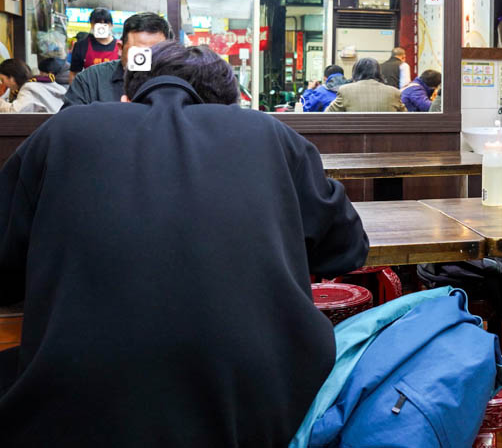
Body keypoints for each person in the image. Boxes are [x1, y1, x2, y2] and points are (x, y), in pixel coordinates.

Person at [0, 41, 369, 447]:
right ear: (230, 103)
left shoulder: (64, 131)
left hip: (70, 416)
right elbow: (348, 248)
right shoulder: (269, 134)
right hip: (262, 415)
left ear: (129, 97)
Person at [62, 12, 171, 107]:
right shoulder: (90, 80)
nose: (146, 60)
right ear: (120, 48)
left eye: (155, 54)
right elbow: (68, 124)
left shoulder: (173, 82)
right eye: (139, 54)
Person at [325, 57, 406, 112]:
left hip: (354, 137)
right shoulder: (394, 92)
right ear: (378, 73)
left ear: (355, 73)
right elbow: (406, 117)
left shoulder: (345, 90)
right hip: (387, 137)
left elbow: (327, 115)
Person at [69, 7, 121, 80]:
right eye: (97, 23)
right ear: (91, 24)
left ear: (111, 25)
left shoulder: (121, 46)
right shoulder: (81, 46)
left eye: (105, 23)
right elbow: (74, 74)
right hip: (89, 90)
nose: (101, 27)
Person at [0, 59, 67, 113]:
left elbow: (15, 112)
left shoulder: (28, 88)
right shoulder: (39, 83)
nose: (3, 83)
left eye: (3, 80)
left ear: (12, 78)